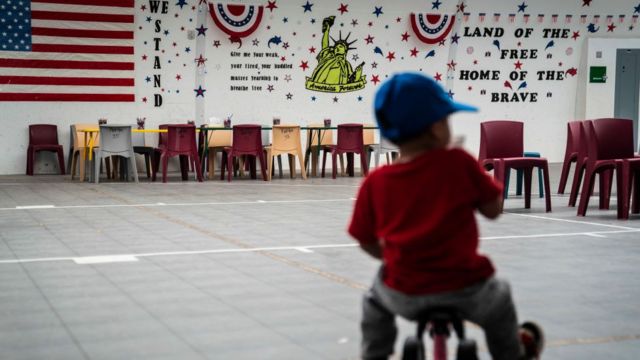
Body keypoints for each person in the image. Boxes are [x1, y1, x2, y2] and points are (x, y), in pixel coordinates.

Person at [348, 72, 543, 360]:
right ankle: (512, 354)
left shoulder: (375, 181)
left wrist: (389, 256)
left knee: (373, 301)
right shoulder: (459, 163)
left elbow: (364, 239)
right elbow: (493, 209)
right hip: (466, 288)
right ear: (438, 127)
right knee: (500, 297)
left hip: (404, 291)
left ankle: (374, 355)